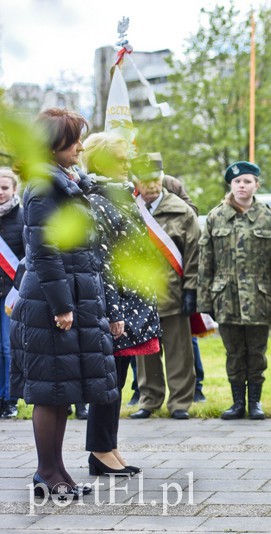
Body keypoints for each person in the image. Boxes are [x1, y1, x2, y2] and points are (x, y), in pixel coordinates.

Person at [10, 108, 117, 497]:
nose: (80, 147)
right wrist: (62, 306)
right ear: (52, 144)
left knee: (60, 392)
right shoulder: (44, 187)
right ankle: (47, 473)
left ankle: (58, 474)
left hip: (68, 296)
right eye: (74, 140)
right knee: (49, 392)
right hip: (50, 304)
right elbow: (44, 251)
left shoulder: (65, 181)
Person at [81, 133, 161, 476]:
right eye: (120, 158)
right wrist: (113, 312)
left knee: (119, 380)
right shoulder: (97, 200)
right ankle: (100, 451)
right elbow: (105, 261)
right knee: (108, 381)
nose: (127, 164)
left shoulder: (120, 194)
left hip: (133, 301)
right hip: (118, 306)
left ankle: (109, 446)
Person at [198, 161, 271, 420]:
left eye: (247, 181)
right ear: (231, 185)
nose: (242, 186)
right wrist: (204, 302)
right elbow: (205, 262)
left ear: (256, 185)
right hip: (225, 298)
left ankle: (255, 403)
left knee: (257, 354)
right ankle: (237, 402)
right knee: (234, 353)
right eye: (237, 181)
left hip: (259, 298)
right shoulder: (216, 217)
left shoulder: (268, 217)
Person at [128, 153, 200, 420]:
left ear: (162, 179)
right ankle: (149, 399)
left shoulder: (181, 211)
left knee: (179, 351)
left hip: (173, 291)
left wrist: (191, 289)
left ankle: (180, 402)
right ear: (136, 181)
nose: (151, 186)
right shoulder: (130, 209)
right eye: (145, 181)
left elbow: (194, 253)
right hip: (140, 294)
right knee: (145, 352)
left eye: (155, 180)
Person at [0, 168, 23, 420]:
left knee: (8, 348)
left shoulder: (23, 217)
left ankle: (9, 399)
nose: (0, 192)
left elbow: (27, 258)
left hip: (12, 294)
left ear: (14, 189)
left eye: (5, 188)